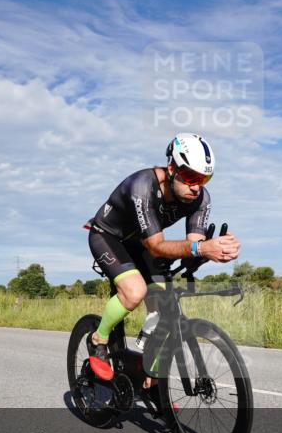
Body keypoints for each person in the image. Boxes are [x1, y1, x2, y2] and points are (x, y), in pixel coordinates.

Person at [85, 133, 240, 392]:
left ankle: (153, 381)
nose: (196, 187)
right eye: (190, 177)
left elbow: (194, 244)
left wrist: (218, 250)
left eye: (204, 179)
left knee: (166, 305)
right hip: (108, 237)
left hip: (143, 243)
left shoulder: (200, 199)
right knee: (135, 292)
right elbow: (158, 246)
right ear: (171, 168)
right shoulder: (142, 186)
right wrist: (201, 248)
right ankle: (98, 339)